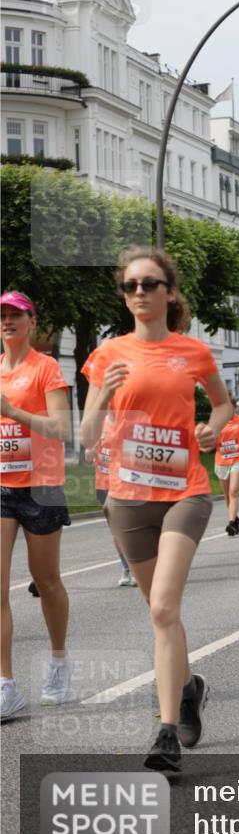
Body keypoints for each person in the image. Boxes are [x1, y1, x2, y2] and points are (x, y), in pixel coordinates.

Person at [80, 246, 232, 772]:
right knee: (158, 614)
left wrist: (215, 425)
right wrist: (102, 399)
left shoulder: (192, 353)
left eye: (149, 284)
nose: (139, 293)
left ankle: (164, 734)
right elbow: (85, 436)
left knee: (165, 608)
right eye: (130, 287)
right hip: (127, 499)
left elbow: (222, 401)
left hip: (184, 491)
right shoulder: (106, 355)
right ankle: (189, 688)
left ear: (169, 291)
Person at [1, 291, 72, 720]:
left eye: (15, 316)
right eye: (2, 316)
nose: (7, 322)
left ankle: (59, 660)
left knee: (46, 582)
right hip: (2, 486)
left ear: (32, 322)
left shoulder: (46, 369)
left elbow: (61, 427)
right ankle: (6, 685)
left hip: (42, 486)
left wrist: (13, 411)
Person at [83, 413, 136, 586]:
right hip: (103, 485)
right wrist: (95, 444)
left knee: (131, 527)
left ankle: (138, 567)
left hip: (124, 483)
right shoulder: (98, 423)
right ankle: (127, 569)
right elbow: (88, 457)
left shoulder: (129, 422)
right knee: (116, 532)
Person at [215, 398, 239, 536]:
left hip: (238, 459)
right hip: (221, 461)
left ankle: (231, 523)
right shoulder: (217, 422)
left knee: (233, 491)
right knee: (226, 495)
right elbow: (210, 440)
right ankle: (235, 518)